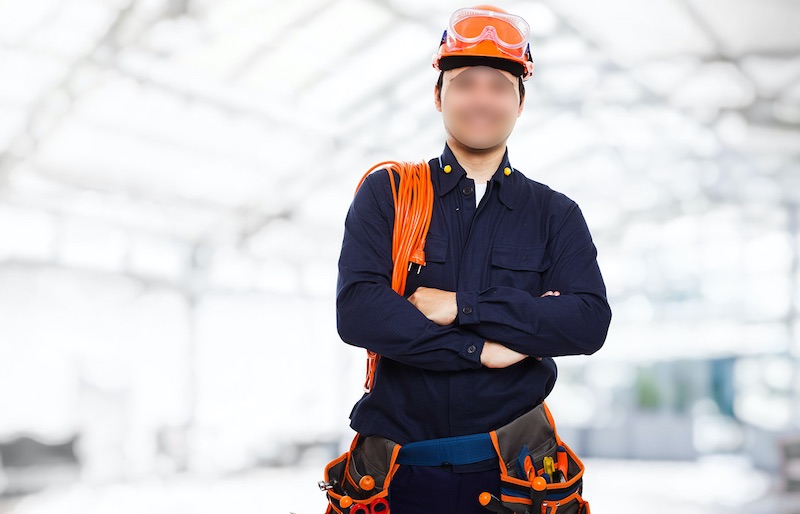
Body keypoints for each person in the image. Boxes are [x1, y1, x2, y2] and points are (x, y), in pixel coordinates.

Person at [335, 5, 612, 513]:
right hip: (398, 475)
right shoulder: (389, 194)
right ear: (439, 95)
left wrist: (461, 306)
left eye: (499, 85)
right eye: (465, 83)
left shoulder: (555, 214)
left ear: (520, 102)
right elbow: (358, 311)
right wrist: (484, 348)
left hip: (517, 475)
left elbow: (587, 323)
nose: (482, 99)